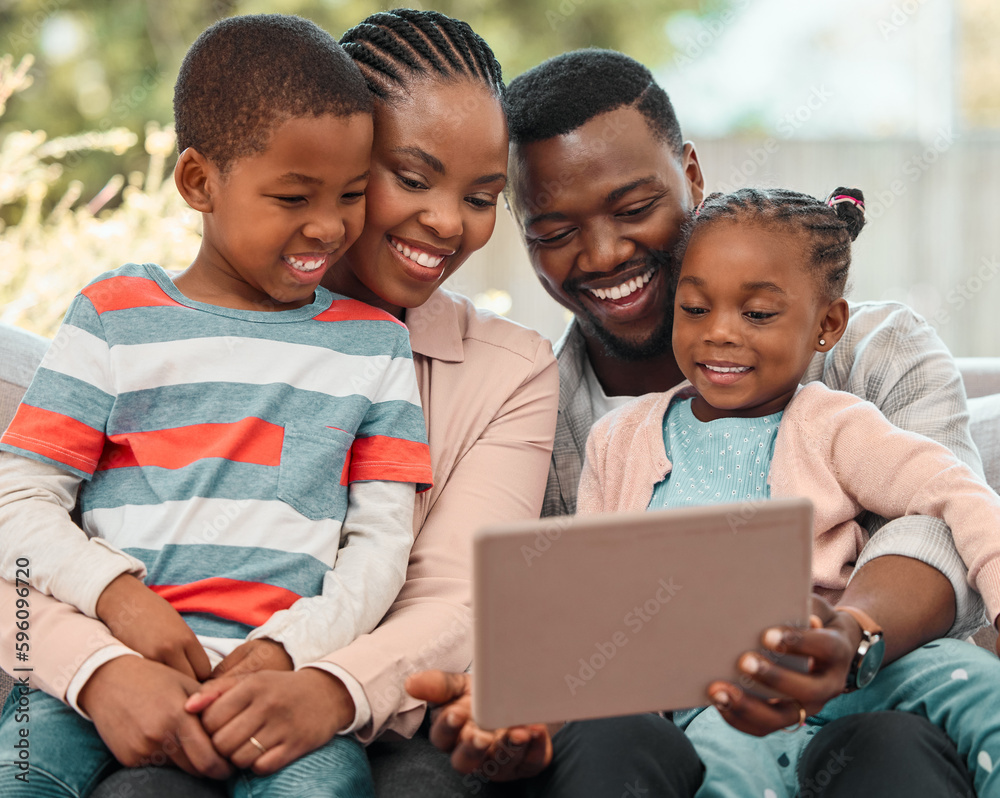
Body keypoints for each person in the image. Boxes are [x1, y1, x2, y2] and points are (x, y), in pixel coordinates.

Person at [0, 9, 566, 798]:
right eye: (405, 179)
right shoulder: (117, 319)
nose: (446, 221)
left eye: (481, 195)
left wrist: (315, 678)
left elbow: (436, 590)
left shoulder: (426, 359)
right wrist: (100, 662)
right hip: (110, 679)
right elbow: (19, 524)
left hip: (327, 692)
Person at [411, 49, 985, 795]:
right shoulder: (537, 420)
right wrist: (517, 716)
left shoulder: (876, 354)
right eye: (554, 230)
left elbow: (940, 521)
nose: (606, 252)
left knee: (891, 745)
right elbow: (558, 624)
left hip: (874, 712)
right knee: (609, 735)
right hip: (652, 735)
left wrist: (850, 637)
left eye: (632, 207)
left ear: (690, 174)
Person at [579, 185, 1000, 796]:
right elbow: (589, 592)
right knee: (732, 771)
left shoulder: (834, 424)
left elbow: (952, 489)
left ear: (827, 325)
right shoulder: (616, 441)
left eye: (757, 314)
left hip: (852, 667)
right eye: (695, 309)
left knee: (974, 682)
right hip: (721, 693)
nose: (718, 334)